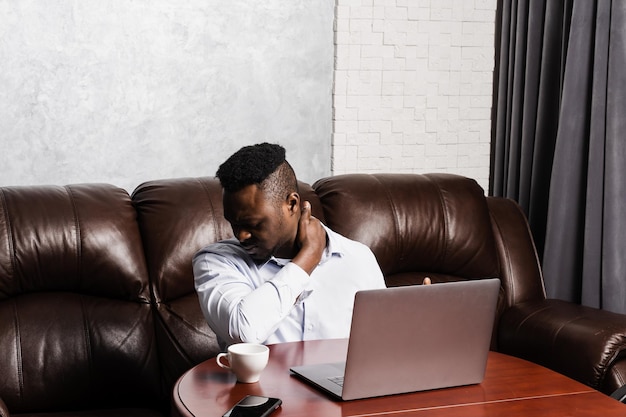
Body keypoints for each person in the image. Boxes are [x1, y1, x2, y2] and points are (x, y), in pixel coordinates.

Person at [193, 143, 387, 347]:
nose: (241, 235)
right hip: (261, 380)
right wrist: (307, 259)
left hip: (342, 379)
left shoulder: (358, 258)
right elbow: (244, 331)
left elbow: (383, 343)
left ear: (292, 204)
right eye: (234, 223)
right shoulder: (215, 262)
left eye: (253, 224)